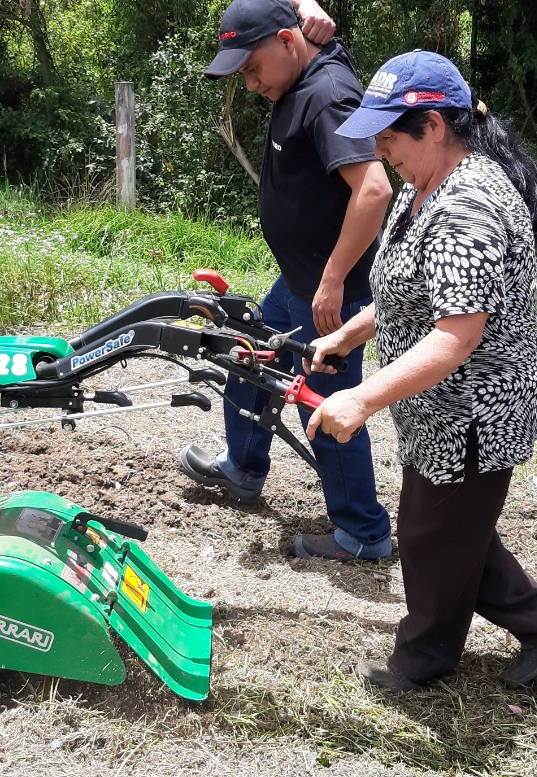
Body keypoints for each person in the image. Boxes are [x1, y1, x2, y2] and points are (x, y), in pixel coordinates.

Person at [304, 50, 537, 691]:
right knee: (451, 529)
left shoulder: (468, 206)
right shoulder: (427, 187)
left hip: (472, 413)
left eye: (388, 134)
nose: (380, 148)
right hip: (439, 410)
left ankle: (423, 659)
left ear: (433, 126)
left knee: (432, 536)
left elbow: (457, 336)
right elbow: (415, 289)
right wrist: (354, 330)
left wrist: (361, 398)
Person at [180, 0, 395, 562]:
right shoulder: (310, 52)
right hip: (301, 278)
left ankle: (364, 533)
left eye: (253, 68)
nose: (251, 84)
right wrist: (306, 4)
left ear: (286, 41)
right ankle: (244, 469)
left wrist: (332, 281)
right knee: (249, 353)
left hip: (330, 291)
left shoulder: (326, 95)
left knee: (323, 400)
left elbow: (374, 191)